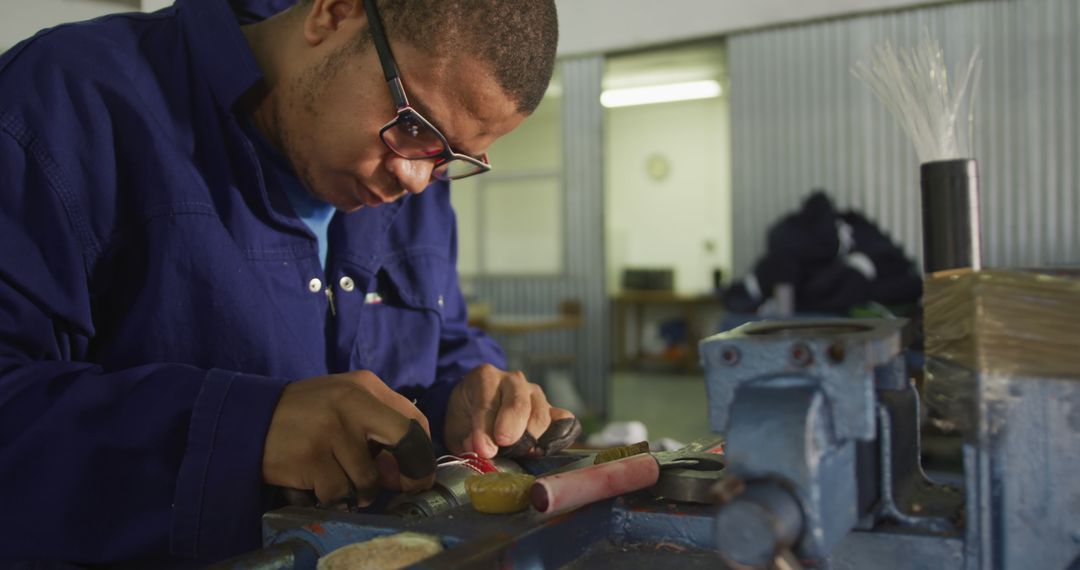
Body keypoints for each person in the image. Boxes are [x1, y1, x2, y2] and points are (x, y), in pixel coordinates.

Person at [0, 0, 572, 566]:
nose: (418, 179)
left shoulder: (412, 168)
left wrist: (462, 398)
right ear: (333, 13)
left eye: (452, 159)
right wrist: (243, 430)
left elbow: (436, 346)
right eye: (413, 124)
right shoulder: (68, 102)